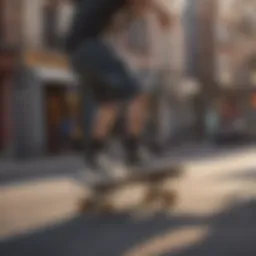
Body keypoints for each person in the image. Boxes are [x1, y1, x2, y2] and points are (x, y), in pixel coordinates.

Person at [65, 0, 171, 174]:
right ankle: (133, 152)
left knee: (108, 104)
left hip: (76, 56)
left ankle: (96, 155)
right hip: (90, 49)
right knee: (136, 95)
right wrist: (162, 13)